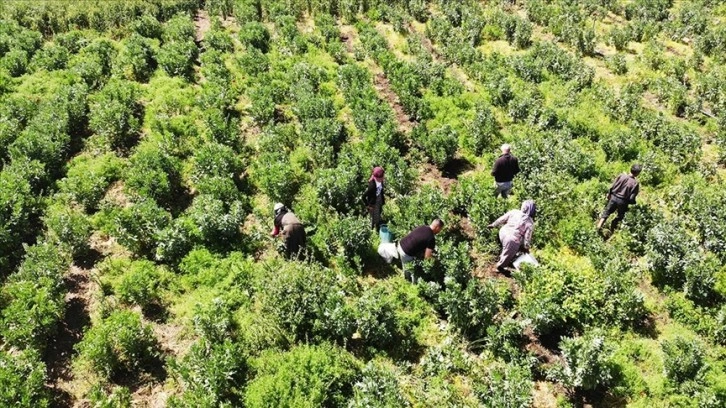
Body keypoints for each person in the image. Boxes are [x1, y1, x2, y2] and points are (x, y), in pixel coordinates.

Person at [488, 200, 536, 273]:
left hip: (503, 232)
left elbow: (502, 219)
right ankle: (500, 267)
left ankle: (505, 251)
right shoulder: (530, 223)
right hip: (511, 240)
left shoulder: (514, 212)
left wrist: (493, 225)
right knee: (515, 243)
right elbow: (527, 238)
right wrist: (526, 248)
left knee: (509, 245)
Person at [597, 164, 641, 231]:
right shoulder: (635, 183)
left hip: (613, 197)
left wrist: (609, 194)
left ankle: (598, 227)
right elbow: (631, 198)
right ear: (637, 173)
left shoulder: (621, 176)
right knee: (620, 216)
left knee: (606, 213)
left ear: (630, 169)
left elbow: (612, 186)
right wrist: (631, 203)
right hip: (623, 202)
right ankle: (613, 227)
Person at [362, 166, 385, 232]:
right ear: (378, 178)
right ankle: (373, 229)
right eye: (382, 177)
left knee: (379, 212)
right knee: (373, 217)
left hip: (379, 199)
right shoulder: (372, 186)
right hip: (373, 203)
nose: (384, 177)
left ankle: (377, 223)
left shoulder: (381, 181)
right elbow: (363, 197)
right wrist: (368, 206)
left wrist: (382, 200)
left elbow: (381, 190)